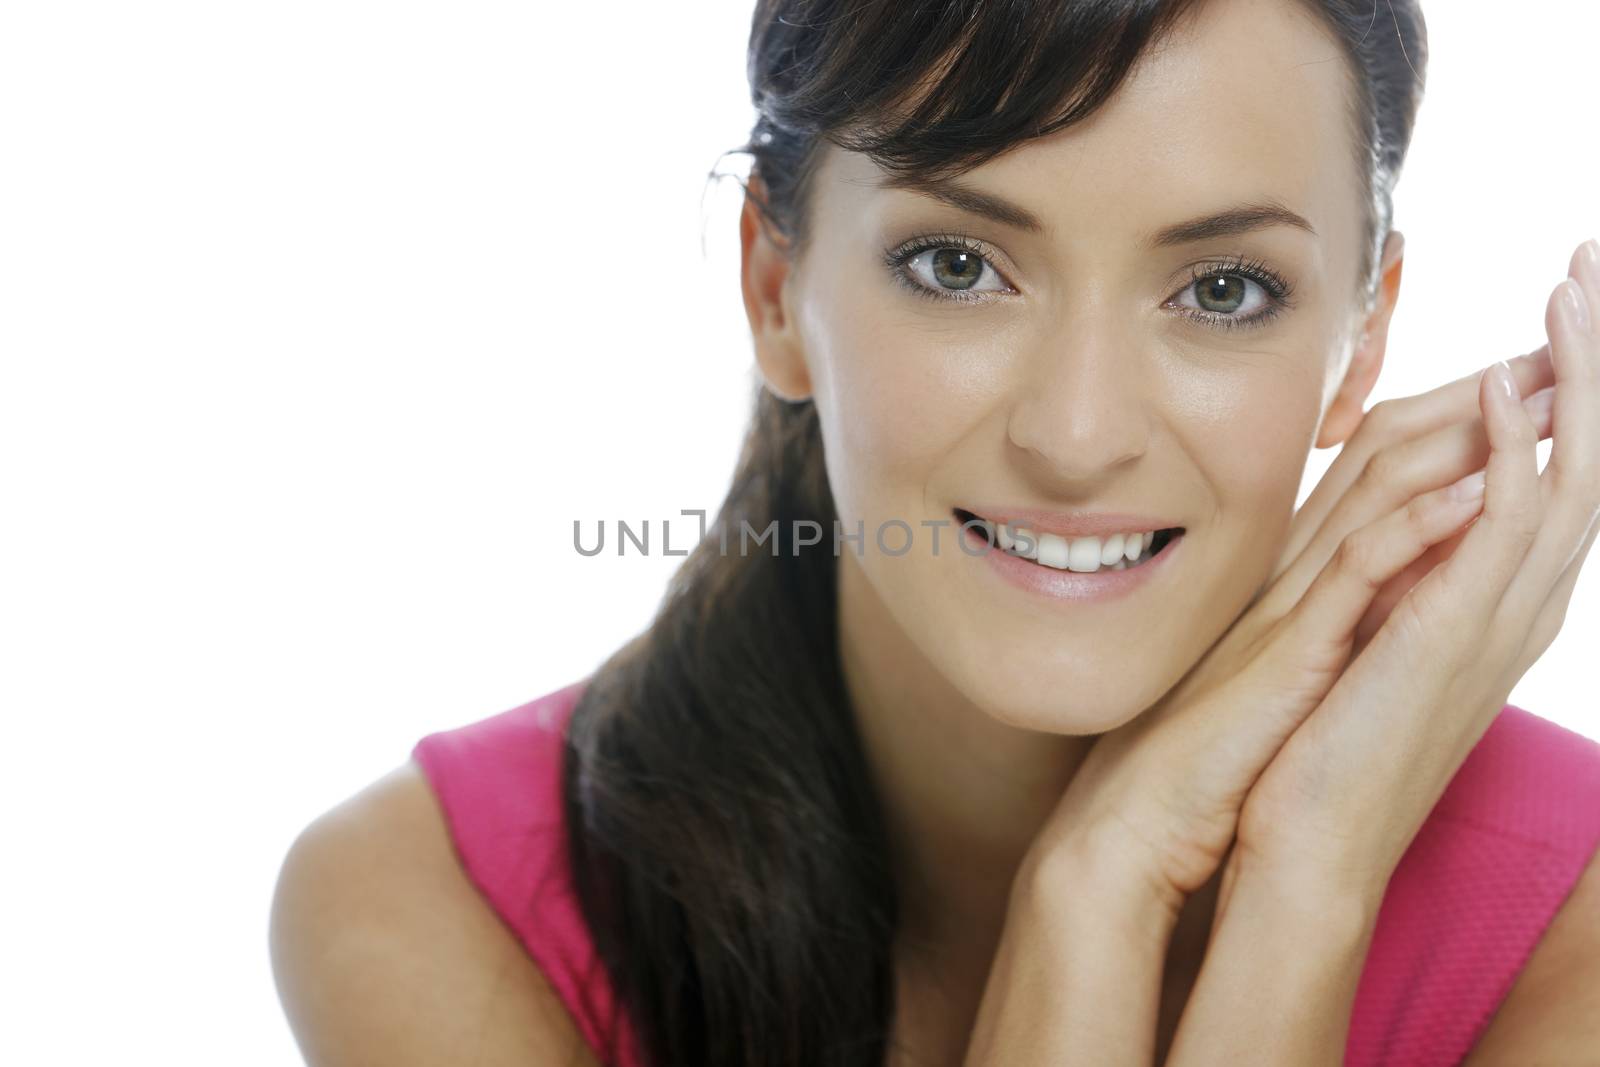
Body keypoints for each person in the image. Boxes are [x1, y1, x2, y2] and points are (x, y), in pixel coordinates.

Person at [270, 0, 1600, 1063]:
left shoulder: (1571, 929)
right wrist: (1100, 888)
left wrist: (1302, 881)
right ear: (775, 287)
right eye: (958, 266)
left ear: (1362, 340)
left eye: (1223, 288)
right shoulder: (438, 901)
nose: (1077, 437)